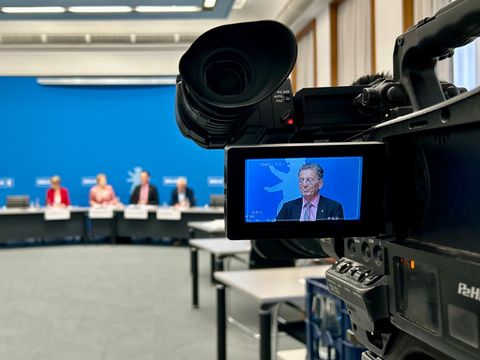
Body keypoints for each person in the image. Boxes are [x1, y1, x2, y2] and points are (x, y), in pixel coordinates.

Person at [276, 163, 343, 221]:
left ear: (320, 184)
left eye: (309, 180)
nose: (304, 185)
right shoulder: (287, 208)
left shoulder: (334, 208)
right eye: (301, 180)